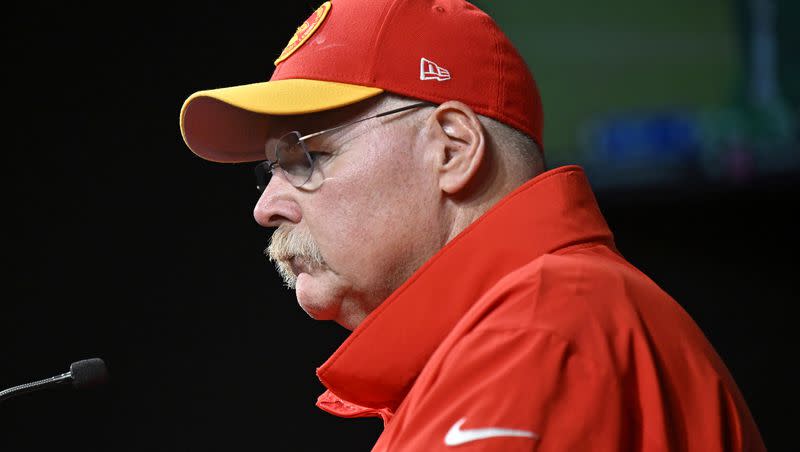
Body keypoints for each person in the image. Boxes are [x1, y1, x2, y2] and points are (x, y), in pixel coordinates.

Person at [179, 0, 766, 450]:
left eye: (306, 156)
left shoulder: (534, 332)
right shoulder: (534, 325)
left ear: (453, 148)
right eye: (269, 170)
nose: (266, 207)